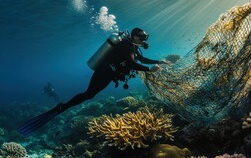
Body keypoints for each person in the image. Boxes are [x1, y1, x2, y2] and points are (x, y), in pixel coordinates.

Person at [19, 28, 168, 135]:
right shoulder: (125, 45)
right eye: (142, 37)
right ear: (135, 36)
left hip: (110, 74)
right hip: (104, 72)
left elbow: (140, 59)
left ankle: (63, 107)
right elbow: (130, 64)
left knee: (90, 95)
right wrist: (149, 70)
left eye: (145, 37)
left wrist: (158, 62)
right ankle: (62, 107)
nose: (144, 40)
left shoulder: (134, 47)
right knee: (89, 94)